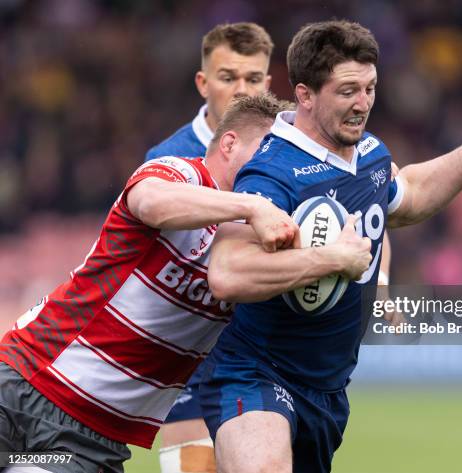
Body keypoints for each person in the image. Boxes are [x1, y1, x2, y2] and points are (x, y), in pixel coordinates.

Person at [199, 20, 462, 473]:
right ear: (305, 95)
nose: (362, 104)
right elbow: (227, 273)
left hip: (326, 389)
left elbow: (408, 196)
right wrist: (329, 259)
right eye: (347, 91)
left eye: (370, 88)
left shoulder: (369, 154)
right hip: (255, 372)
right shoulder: (273, 171)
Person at [0, 94, 372, 473]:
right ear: (229, 143)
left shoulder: (263, 244)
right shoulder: (182, 173)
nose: (276, 165)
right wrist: (251, 205)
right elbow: (150, 203)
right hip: (21, 380)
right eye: (269, 150)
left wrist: (338, 256)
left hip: (88, 440)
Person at [145, 21, 394, 472]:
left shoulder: (287, 148)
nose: (242, 89)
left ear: (270, 83)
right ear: (203, 84)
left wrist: (381, 277)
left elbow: (365, 211)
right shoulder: (171, 158)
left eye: (254, 78)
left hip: (260, 338)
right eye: (229, 77)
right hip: (193, 350)